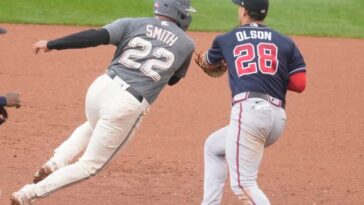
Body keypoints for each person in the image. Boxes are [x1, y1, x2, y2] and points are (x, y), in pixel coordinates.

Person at [10, 0, 196, 204]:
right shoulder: (187, 44)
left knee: (93, 124)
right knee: (90, 166)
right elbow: (173, 81)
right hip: (127, 103)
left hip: (101, 88)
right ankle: (27, 195)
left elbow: (94, 36)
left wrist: (52, 44)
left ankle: (55, 162)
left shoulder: (132, 23)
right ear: (180, 13)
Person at [198, 0, 306, 204]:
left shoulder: (226, 39)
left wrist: (208, 60)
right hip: (276, 119)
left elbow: (209, 62)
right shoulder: (285, 42)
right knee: (213, 146)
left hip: (250, 113)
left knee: (243, 185)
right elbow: (300, 83)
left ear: (245, 11)